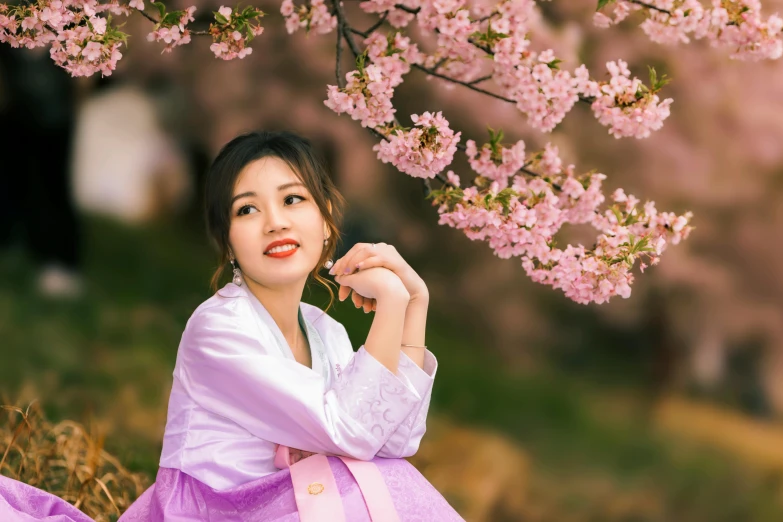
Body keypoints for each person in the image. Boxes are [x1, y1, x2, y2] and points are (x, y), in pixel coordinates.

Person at [0, 130, 464, 521]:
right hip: (213, 512)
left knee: (386, 477)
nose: (274, 222)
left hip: (287, 505)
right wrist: (389, 307)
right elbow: (355, 434)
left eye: (293, 199)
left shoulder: (326, 332)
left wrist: (413, 307)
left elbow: (394, 440)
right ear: (227, 242)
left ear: (326, 221)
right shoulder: (219, 330)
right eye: (247, 209)